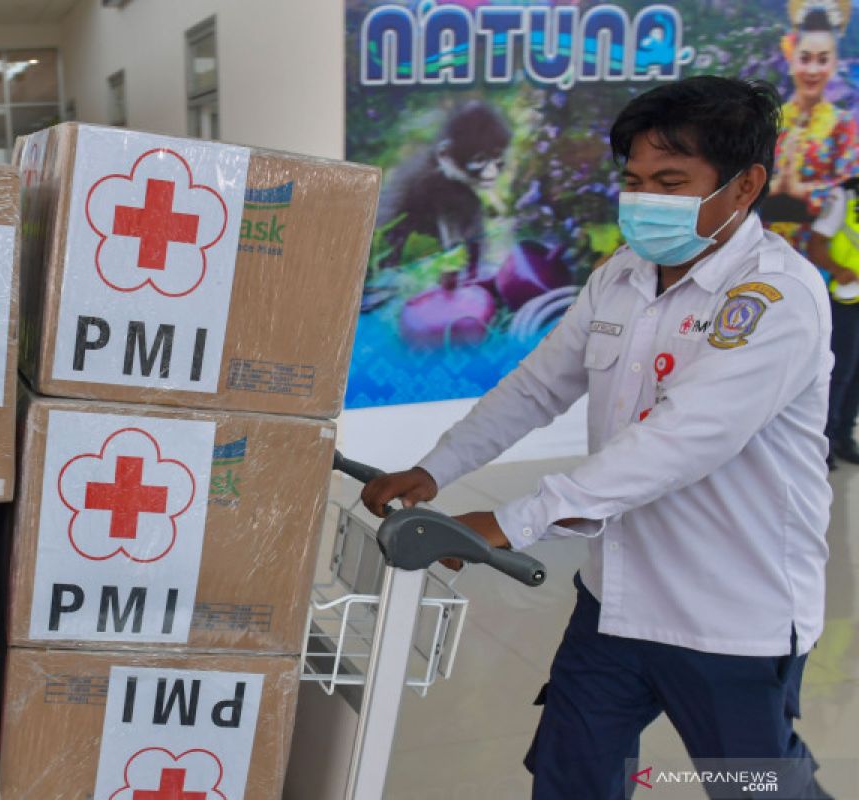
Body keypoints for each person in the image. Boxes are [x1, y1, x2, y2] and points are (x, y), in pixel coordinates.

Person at [362, 76, 833, 799]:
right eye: (635, 180)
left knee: (756, 786)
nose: (645, 200)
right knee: (572, 776)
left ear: (745, 188)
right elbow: (537, 386)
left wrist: (512, 522)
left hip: (731, 615)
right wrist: (434, 468)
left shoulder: (775, 301)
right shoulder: (621, 275)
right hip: (614, 599)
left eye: (672, 182)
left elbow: (679, 442)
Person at [761, 2, 857, 255]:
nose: (812, 70)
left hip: (822, 252)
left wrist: (798, 190)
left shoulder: (844, 125)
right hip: (762, 246)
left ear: (834, 63)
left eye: (822, 60)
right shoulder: (770, 120)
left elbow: (851, 192)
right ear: (791, 59)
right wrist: (773, 186)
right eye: (805, 59)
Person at [808, 177, 859, 468]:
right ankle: (824, 441)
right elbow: (817, 244)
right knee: (841, 371)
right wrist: (838, 269)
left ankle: (844, 437)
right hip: (846, 298)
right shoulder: (846, 195)